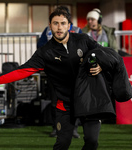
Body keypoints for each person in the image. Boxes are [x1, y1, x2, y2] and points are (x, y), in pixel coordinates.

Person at [0, 7, 132, 150]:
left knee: (92, 142)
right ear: (49, 26)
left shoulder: (83, 40)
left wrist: (100, 65)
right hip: (65, 104)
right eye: (55, 23)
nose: (59, 27)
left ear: (69, 26)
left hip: (88, 100)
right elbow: (22, 71)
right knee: (63, 143)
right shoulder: (45, 52)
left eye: (63, 23)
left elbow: (103, 54)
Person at [37, 6, 81, 138]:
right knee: (55, 101)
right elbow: (40, 47)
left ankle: (73, 129)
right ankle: (57, 128)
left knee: (75, 101)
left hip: (74, 72)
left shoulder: (78, 31)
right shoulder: (48, 30)